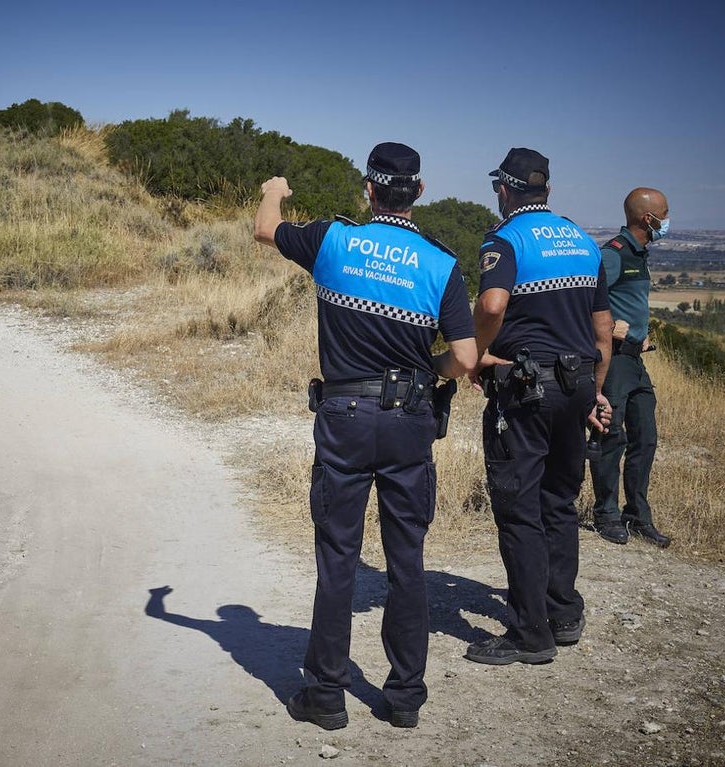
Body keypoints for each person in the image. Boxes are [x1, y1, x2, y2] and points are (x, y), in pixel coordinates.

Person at [253, 142, 477, 729]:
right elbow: (466, 355)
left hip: (345, 418)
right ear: (419, 192)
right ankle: (404, 698)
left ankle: (325, 695)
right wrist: (431, 373)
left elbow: (265, 229)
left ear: (367, 189)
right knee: (407, 561)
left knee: (338, 559)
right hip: (410, 422)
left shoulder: (332, 240)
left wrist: (274, 188)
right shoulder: (440, 263)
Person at [465, 148, 613, 666]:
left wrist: (476, 354)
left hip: (526, 388)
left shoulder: (504, 240)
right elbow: (602, 330)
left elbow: (491, 305)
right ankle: (564, 613)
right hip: (576, 382)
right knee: (559, 501)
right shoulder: (580, 240)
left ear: (504, 191)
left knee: (519, 507)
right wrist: (597, 391)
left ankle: (531, 633)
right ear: (546, 190)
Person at [589, 188, 672, 548]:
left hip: (636, 359)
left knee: (646, 437)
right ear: (647, 218)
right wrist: (610, 328)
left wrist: (641, 336)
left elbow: (629, 303)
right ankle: (605, 514)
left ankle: (638, 517)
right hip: (616, 359)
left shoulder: (641, 253)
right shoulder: (613, 254)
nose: (667, 220)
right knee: (611, 436)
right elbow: (585, 299)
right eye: (664, 213)